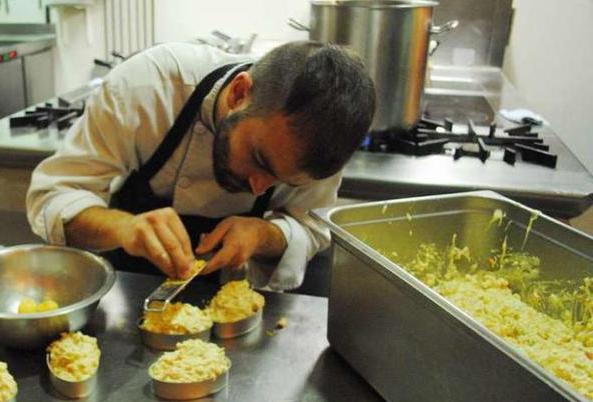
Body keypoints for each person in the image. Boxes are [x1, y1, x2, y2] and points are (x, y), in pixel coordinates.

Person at [26, 40, 375, 292]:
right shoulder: (149, 88)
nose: (258, 188)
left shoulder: (321, 138)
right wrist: (125, 229)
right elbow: (54, 197)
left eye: (280, 180)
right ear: (239, 94)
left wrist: (264, 234)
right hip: (125, 301)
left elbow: (314, 228)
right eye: (259, 160)